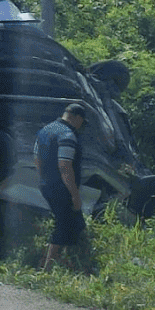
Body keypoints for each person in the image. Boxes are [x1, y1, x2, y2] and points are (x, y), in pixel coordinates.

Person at [34, 103, 88, 271]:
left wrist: (44, 177)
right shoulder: (67, 135)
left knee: (76, 223)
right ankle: (48, 266)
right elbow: (65, 166)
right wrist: (74, 194)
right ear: (77, 118)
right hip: (62, 188)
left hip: (46, 184)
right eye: (82, 122)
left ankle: (67, 261)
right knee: (63, 225)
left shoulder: (46, 130)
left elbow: (36, 158)